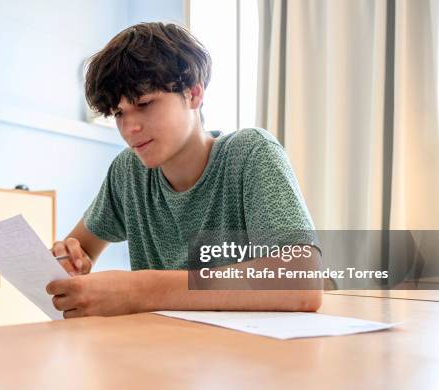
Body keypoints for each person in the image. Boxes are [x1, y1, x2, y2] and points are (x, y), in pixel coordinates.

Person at [46, 22, 322, 318]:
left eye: (144, 103)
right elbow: (81, 250)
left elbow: (302, 282)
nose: (130, 128)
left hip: (252, 353)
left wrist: (140, 290)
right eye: (118, 113)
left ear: (194, 94)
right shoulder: (129, 172)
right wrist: (70, 259)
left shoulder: (250, 153)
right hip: (166, 352)